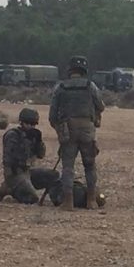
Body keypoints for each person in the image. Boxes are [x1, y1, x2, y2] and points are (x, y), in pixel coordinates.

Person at [49, 55, 105, 210]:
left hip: (68, 130)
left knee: (68, 167)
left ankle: (68, 202)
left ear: (70, 70)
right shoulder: (90, 86)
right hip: (87, 128)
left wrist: (59, 128)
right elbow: (100, 105)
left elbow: (52, 114)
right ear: (84, 70)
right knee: (90, 165)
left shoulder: (60, 87)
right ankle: (91, 201)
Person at [0, 108, 46, 204]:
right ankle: (7, 188)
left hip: (27, 171)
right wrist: (10, 178)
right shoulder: (13, 135)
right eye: (28, 123)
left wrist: (39, 141)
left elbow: (41, 155)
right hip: (15, 173)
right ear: (21, 122)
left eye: (33, 124)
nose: (31, 126)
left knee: (53, 176)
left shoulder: (33, 135)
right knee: (32, 199)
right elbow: (9, 159)